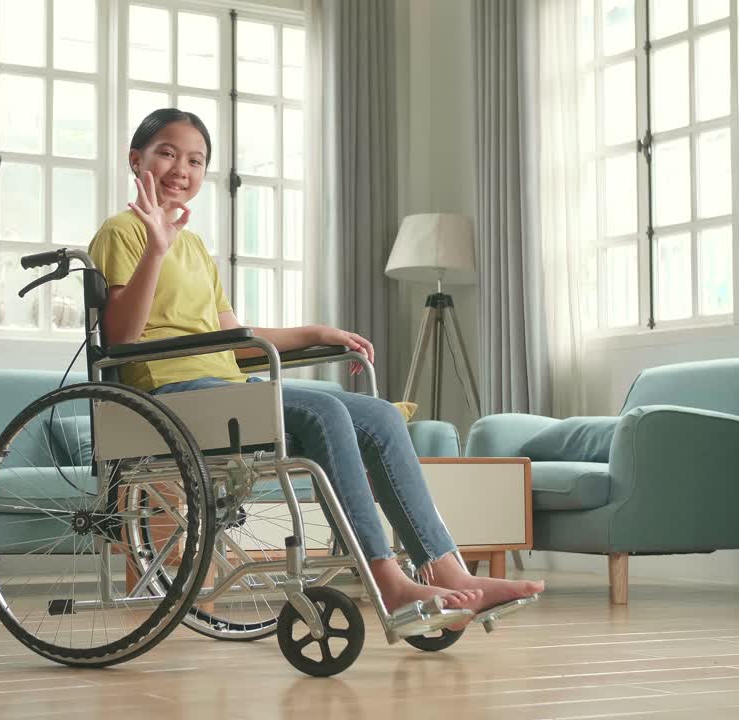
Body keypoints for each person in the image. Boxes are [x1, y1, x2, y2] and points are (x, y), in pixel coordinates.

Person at [88, 108, 543, 619]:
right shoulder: (121, 232)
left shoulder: (193, 246)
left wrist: (316, 332)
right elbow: (120, 338)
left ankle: (448, 570)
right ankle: (386, 579)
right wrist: (154, 249)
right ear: (137, 159)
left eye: (195, 160)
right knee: (326, 413)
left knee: (381, 415)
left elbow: (236, 340)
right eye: (167, 153)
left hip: (224, 386)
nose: (181, 169)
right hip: (168, 396)